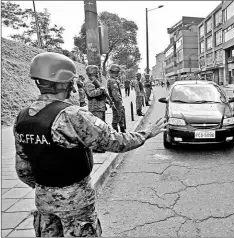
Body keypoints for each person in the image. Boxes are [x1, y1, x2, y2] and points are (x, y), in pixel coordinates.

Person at [13, 52, 168, 237]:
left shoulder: (22, 117)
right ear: (64, 82)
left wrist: (48, 188)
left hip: (43, 201)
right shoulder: (71, 115)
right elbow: (115, 142)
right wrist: (146, 133)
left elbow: (23, 170)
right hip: (76, 203)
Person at [107, 64, 125, 133]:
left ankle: (121, 129)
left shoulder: (113, 80)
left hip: (116, 101)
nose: (117, 74)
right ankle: (116, 132)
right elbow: (115, 94)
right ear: (113, 72)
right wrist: (119, 102)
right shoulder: (112, 81)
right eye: (117, 72)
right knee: (116, 116)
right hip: (116, 101)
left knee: (120, 115)